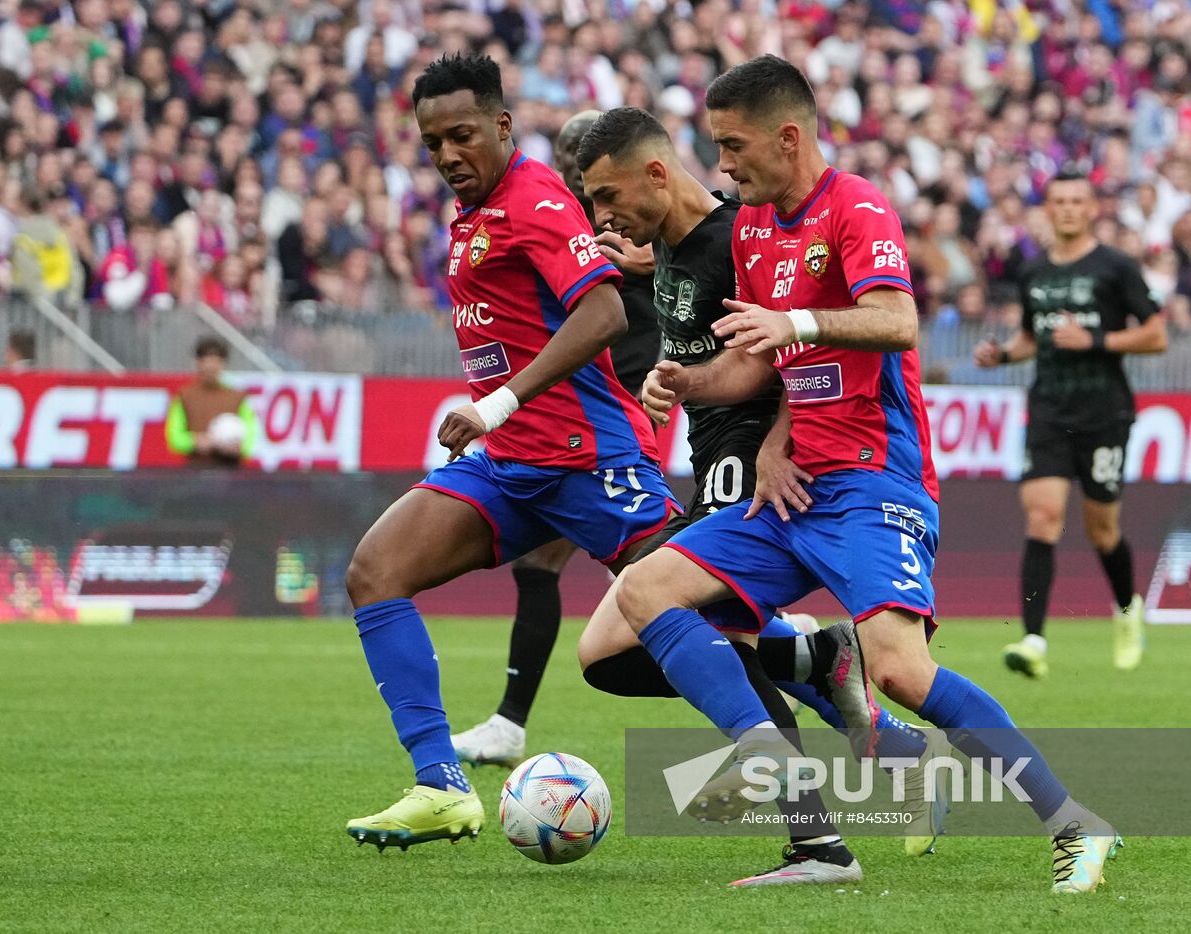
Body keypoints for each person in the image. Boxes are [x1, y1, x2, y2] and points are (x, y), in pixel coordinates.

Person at [619, 56, 1118, 893]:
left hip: (874, 479)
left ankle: (1076, 825)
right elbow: (760, 365)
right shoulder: (748, 226)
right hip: (795, 483)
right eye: (716, 146)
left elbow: (896, 322)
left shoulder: (857, 207)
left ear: (789, 135)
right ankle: (789, 795)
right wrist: (690, 382)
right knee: (646, 592)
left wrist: (795, 321)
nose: (725, 165)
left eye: (734, 146)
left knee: (898, 671)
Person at [571, 106, 948, 874]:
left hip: (752, 459)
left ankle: (812, 833)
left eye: (606, 199)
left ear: (653, 173)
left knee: (689, 630)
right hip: (712, 453)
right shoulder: (672, 247)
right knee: (607, 653)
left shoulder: (734, 234)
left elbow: (791, 346)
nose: (598, 218)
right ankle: (821, 665)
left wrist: (780, 439)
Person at [343, 54, 682, 852]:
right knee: (375, 572)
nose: (448, 155)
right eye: (432, 144)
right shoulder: (477, 211)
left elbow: (602, 313)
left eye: (462, 135)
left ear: (501, 124)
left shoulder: (536, 199)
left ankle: (822, 672)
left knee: (703, 615)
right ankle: (440, 785)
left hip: (588, 458)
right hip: (512, 464)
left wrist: (496, 403)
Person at [447, 109, 664, 771]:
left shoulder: (630, 218)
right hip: (564, 421)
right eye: (568, 153)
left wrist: (649, 266)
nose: (575, 167)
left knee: (656, 585)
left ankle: (791, 649)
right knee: (557, 568)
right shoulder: (551, 213)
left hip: (621, 417)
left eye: (585, 154)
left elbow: (682, 274)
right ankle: (509, 725)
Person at [974, 173, 1167, 677]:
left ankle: (1127, 610)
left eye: (1077, 200)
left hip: (1105, 413)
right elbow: (1032, 338)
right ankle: (1033, 640)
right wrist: (1002, 356)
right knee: (1042, 516)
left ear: (1092, 208)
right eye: (1058, 200)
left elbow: (1156, 335)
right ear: (1048, 207)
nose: (1067, 209)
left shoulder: (1116, 266)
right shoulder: (1034, 272)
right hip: (1049, 410)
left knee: (1103, 530)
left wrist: (1098, 341)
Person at [164, 336, 259, 467]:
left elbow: (251, 436)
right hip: (196, 471)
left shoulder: (237, 397)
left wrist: (238, 448)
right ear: (198, 363)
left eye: (216, 362)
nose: (211, 367)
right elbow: (174, 438)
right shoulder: (185, 396)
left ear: (223, 364)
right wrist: (195, 442)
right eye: (206, 362)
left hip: (231, 473)